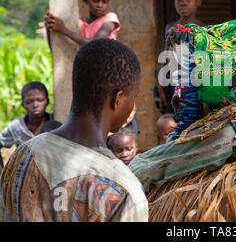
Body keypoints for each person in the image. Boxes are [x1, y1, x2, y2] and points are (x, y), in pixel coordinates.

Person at [0, 39, 148, 222]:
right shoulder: (122, 188)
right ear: (117, 99)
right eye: (134, 96)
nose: (133, 105)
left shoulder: (23, 155)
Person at [156, 0, 205, 114]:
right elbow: (166, 55)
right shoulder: (170, 27)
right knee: (174, 118)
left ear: (198, 2)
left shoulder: (203, 29)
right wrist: (161, 83)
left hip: (193, 84)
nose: (183, 2)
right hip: (172, 84)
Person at [44, 0, 120, 47]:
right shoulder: (80, 24)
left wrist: (63, 29)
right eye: (95, 0)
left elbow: (95, 44)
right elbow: (56, 47)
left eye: (105, 2)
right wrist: (50, 26)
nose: (100, 5)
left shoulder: (110, 19)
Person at [0, 81, 53, 172]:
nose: (35, 105)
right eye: (29, 102)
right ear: (23, 105)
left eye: (40, 100)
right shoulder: (16, 127)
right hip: (24, 176)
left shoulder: (54, 123)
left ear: (47, 101)